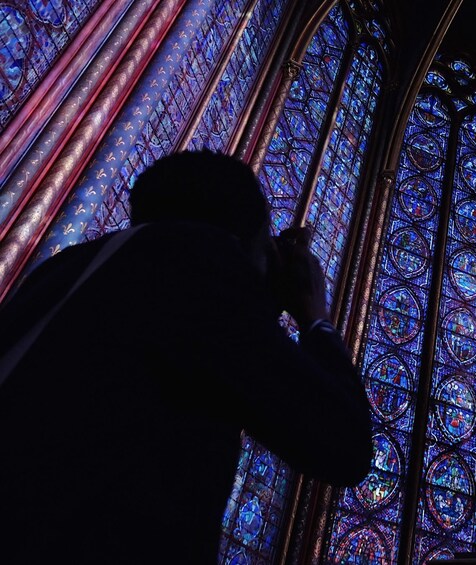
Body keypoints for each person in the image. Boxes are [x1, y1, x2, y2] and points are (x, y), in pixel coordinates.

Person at [0, 151, 373, 563]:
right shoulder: (203, 274)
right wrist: (314, 317)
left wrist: (259, 296)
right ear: (243, 240)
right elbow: (344, 444)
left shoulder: (69, 267)